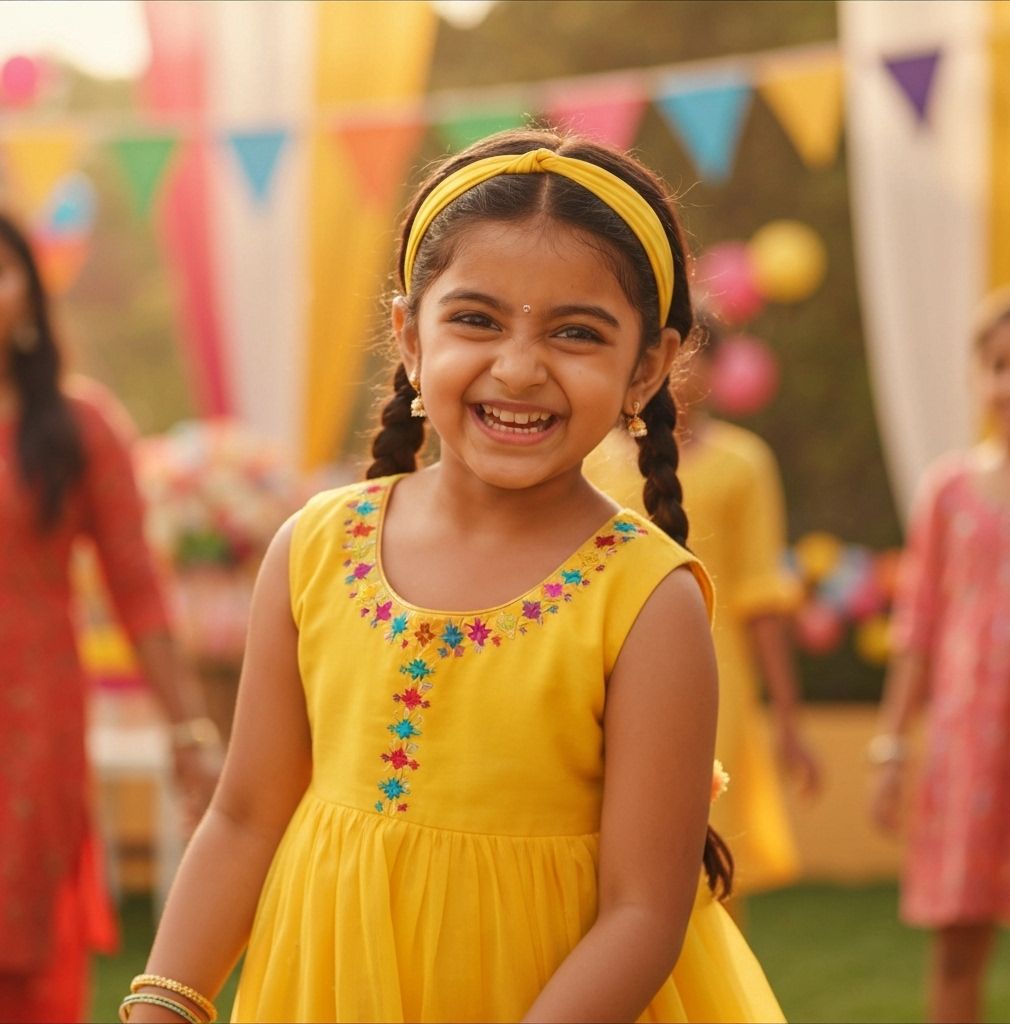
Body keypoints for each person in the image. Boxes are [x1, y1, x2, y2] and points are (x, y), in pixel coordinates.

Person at [124, 128, 784, 1023]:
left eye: (576, 333)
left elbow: (642, 912)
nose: (518, 368)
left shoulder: (646, 600)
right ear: (409, 335)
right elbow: (244, 820)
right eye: (476, 320)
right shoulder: (315, 548)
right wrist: (164, 1003)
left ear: (648, 368)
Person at [0, 210, 219, 1023]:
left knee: (21, 925)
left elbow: (137, 588)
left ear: (30, 294)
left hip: (29, 717)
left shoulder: (78, 427)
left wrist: (189, 732)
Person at [586, 316, 821, 904]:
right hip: (602, 672)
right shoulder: (592, 460)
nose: (678, 372)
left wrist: (788, 721)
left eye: (695, 356)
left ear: (716, 370)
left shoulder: (743, 463)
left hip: (715, 678)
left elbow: (762, 596)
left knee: (705, 848)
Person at [870, 288, 1010, 1024]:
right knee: (959, 946)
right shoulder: (949, 492)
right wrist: (891, 747)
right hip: (970, 753)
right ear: (978, 377)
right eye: (1001, 365)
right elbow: (918, 628)